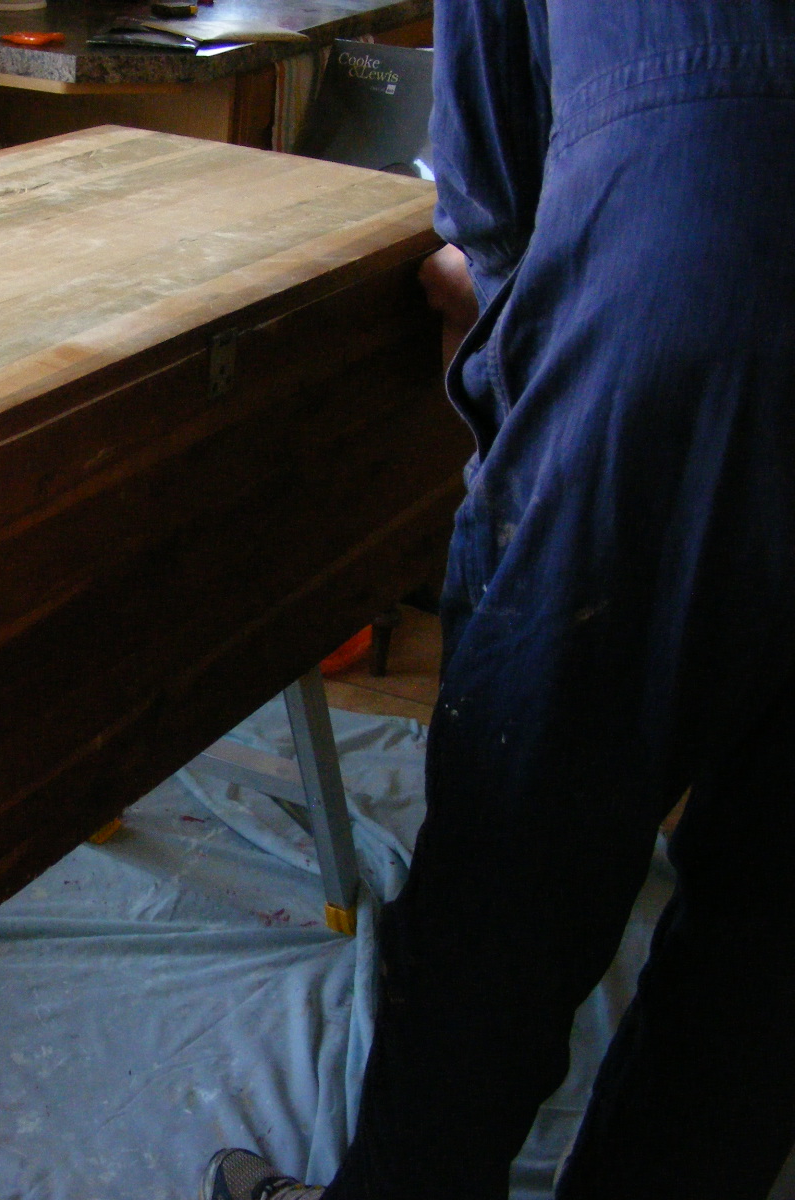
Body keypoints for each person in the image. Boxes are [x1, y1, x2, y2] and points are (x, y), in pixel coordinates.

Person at [204, 2, 795, 1197]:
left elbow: (489, 203)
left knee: (513, 879)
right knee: (774, 923)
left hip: (692, 304)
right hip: (701, 265)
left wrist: (512, 436)